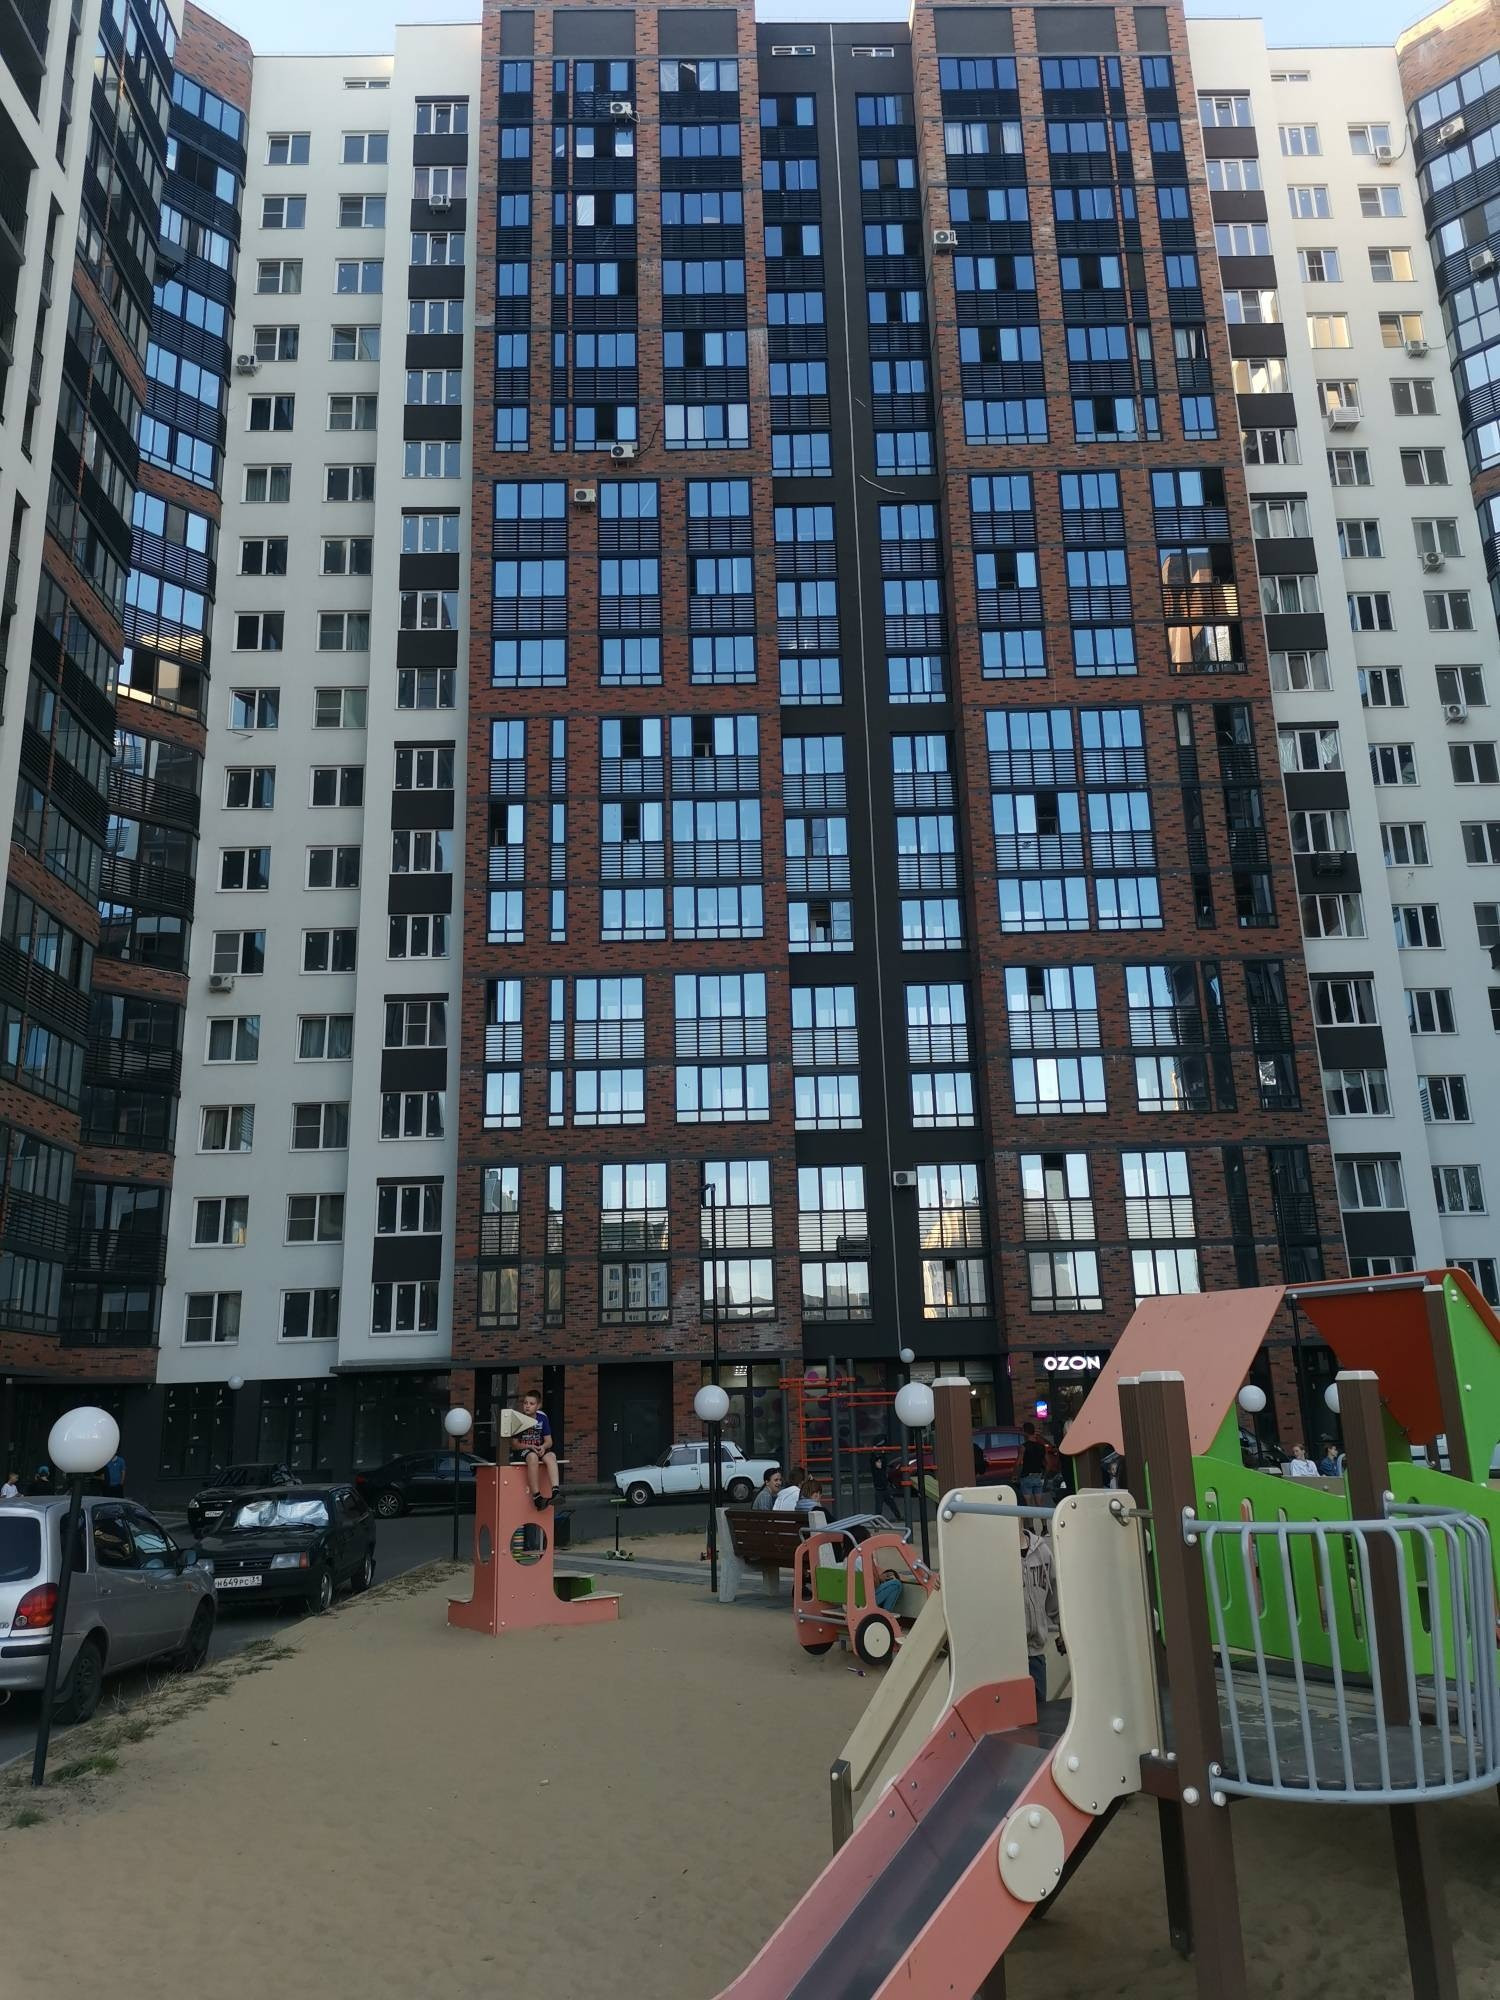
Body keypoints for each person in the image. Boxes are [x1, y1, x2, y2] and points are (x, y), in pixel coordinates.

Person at [1020, 1521, 1061, 1712]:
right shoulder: (993, 1555)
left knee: (1039, 1713)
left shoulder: (1042, 1551)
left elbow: (1055, 1596)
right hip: (1007, 1655)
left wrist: (1064, 1629)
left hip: (1035, 1653)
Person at [510, 1391, 559, 1510]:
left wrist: (543, 1447)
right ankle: (537, 1496)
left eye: (531, 1404)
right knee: (533, 1457)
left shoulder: (542, 1418)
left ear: (538, 1406)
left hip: (538, 1448)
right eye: (525, 1403)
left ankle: (556, 1491)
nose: (527, 1406)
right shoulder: (519, 1419)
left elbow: (549, 1441)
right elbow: (514, 1445)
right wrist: (529, 1446)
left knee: (551, 1456)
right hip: (524, 1451)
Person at [868, 1441, 902, 1522]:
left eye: (880, 1462)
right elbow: (872, 1460)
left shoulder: (883, 1469)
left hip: (886, 1489)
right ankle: (877, 1520)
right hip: (879, 1490)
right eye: (877, 1463)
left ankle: (899, 1517)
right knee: (878, 1507)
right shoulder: (875, 1470)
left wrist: (882, 1452)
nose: (879, 1464)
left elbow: (884, 1460)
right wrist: (873, 1452)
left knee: (892, 1504)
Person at [1017, 1420, 1048, 1504]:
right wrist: (1044, 1475)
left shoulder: (1023, 1447)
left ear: (1025, 1432)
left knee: (1028, 1504)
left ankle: (1030, 1514)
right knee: (1039, 1503)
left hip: (1026, 1476)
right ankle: (1042, 1513)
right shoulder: (1042, 1447)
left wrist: (1015, 1475)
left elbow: (1018, 1463)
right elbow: (1048, 1463)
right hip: (1038, 1476)